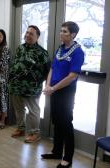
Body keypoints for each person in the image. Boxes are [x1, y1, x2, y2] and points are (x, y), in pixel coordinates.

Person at [41, 21, 84, 168]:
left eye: (65, 31)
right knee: (57, 121)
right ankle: (57, 151)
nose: (61, 33)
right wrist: (48, 85)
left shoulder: (78, 51)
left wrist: (54, 88)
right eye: (61, 31)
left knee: (66, 123)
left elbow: (72, 75)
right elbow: (52, 68)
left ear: (73, 34)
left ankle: (67, 158)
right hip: (54, 89)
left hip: (66, 91)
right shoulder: (60, 49)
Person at [9, 25, 50, 143]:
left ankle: (35, 133)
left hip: (31, 88)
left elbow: (48, 71)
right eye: (27, 33)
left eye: (31, 34)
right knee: (19, 109)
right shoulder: (20, 48)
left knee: (33, 111)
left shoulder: (42, 53)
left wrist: (45, 85)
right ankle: (21, 128)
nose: (27, 35)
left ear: (37, 37)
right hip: (16, 86)